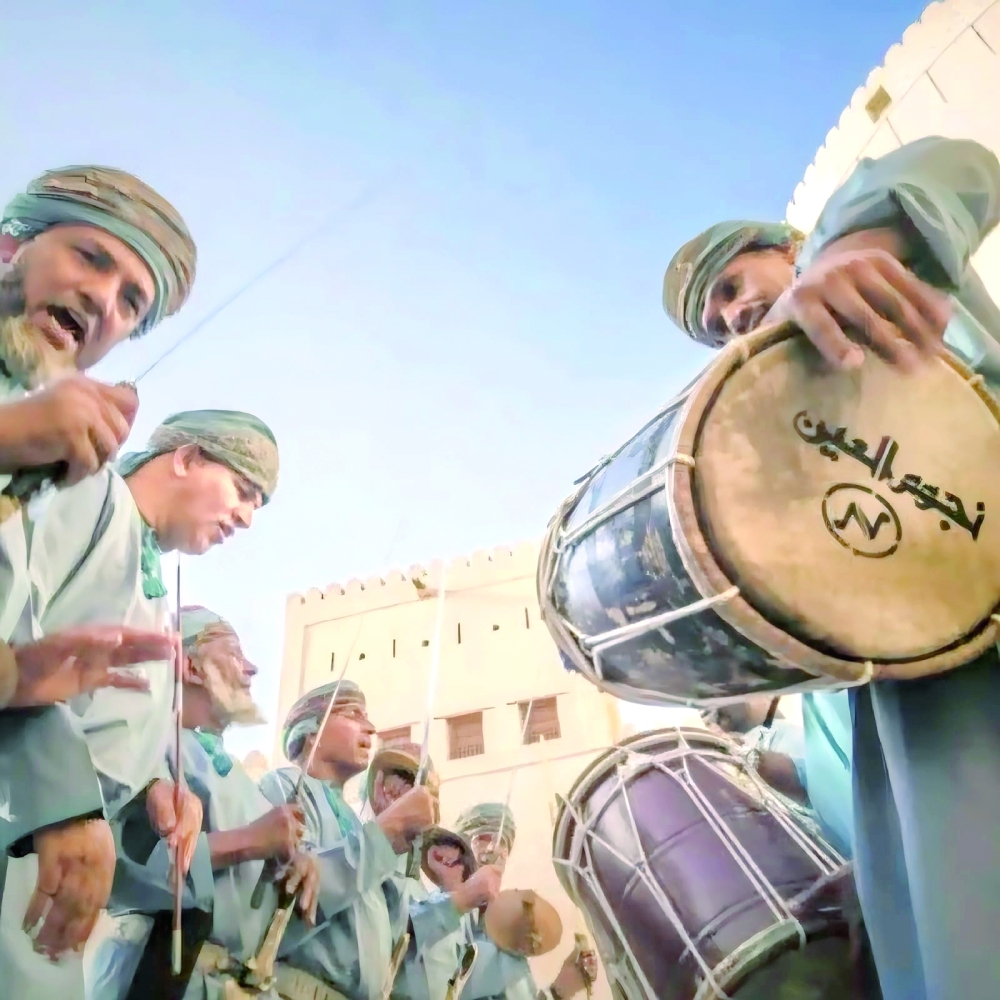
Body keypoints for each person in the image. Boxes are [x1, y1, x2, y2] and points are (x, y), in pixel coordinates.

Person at [665, 135, 1000, 1000]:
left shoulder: (876, 263)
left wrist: (858, 241)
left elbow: (958, 165)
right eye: (717, 323)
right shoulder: (771, 427)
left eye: (736, 287)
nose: (734, 317)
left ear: (786, 248)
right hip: (921, 700)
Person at [0, 409, 278, 997]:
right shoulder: (88, 491)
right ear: (187, 458)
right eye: (244, 490)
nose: (248, 517)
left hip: (53, 863)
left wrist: (154, 783)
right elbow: (15, 640)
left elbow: (97, 716)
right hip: (22, 819)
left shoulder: (147, 573)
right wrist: (65, 803)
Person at [85, 604, 318, 1000]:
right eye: (234, 653)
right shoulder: (145, 744)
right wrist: (249, 841)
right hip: (157, 970)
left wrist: (295, 862)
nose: (251, 669)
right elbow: (124, 864)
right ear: (190, 668)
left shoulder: (247, 785)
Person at [259, 680, 439, 1000]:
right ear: (311, 730)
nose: (370, 729)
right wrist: (389, 829)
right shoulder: (285, 788)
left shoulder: (356, 823)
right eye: (353, 714)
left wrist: (402, 842)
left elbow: (397, 932)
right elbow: (299, 895)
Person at [364, 742, 515, 1000]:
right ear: (380, 789)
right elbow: (392, 935)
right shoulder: (372, 864)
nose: (493, 850)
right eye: (401, 786)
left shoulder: (423, 893)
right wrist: (460, 897)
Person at [454, 803, 598, 1000]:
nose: (492, 848)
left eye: (501, 841)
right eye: (482, 838)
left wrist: (562, 988)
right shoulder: (444, 918)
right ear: (460, 849)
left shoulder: (509, 923)